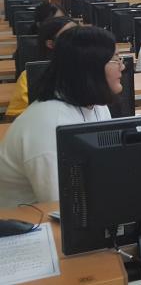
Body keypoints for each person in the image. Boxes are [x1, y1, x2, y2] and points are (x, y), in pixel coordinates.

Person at [0, 26, 121, 207]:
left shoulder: (96, 105)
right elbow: (62, 206)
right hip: (29, 221)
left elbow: (107, 165)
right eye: (115, 59)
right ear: (90, 66)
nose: (122, 66)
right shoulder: (49, 126)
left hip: (82, 207)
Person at [6, 16, 78, 118]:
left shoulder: (92, 71)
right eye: (69, 36)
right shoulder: (30, 77)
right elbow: (14, 118)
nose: (78, 40)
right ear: (50, 44)